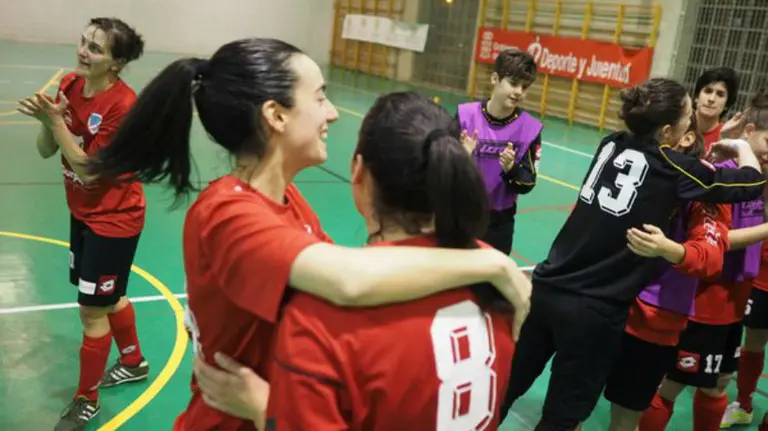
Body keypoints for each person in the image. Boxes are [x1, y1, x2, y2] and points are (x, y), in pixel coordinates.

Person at [87, 38, 531, 431]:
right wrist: (491, 262)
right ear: (276, 115)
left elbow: (353, 275)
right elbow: (348, 280)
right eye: (319, 98)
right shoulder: (228, 213)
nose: (333, 113)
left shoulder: (289, 201)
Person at [499, 77, 767, 430]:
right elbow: (750, 181)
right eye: (687, 116)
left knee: (504, 390)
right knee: (562, 416)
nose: (692, 123)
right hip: (594, 308)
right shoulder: (673, 169)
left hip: (549, 286)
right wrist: (735, 143)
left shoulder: (610, 143)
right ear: (670, 131)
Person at [16, 18, 148, 431]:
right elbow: (46, 150)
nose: (83, 51)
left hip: (114, 218)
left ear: (118, 62)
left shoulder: (123, 105)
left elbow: (91, 172)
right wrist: (46, 122)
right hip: (84, 214)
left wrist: (57, 122)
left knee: (92, 311)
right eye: (83, 41)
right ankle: (133, 362)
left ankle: (85, 399)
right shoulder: (71, 86)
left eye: (96, 48)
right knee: (109, 297)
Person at [638, 90, 768, 430]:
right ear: (749, 132)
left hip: (735, 301)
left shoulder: (760, 176)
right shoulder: (725, 178)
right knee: (673, 384)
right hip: (705, 301)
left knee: (716, 385)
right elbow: (715, 241)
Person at [601, 121, 732, 431]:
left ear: (685, 138)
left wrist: (670, 250)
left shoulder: (706, 188)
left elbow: (711, 257)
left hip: (654, 319)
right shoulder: (631, 166)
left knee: (626, 416)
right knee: (573, 402)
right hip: (606, 301)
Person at [456, 48, 541, 255]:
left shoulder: (530, 129)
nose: (519, 92)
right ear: (495, 79)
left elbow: (528, 182)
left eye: (524, 86)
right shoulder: (464, 116)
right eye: (513, 83)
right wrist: (461, 157)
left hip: (499, 224)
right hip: (461, 215)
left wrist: (511, 169)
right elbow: (439, 171)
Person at [692, 67, 740, 151]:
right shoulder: (678, 127)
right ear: (696, 97)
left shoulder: (726, 138)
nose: (711, 99)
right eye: (708, 91)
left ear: (727, 105)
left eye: (720, 94)